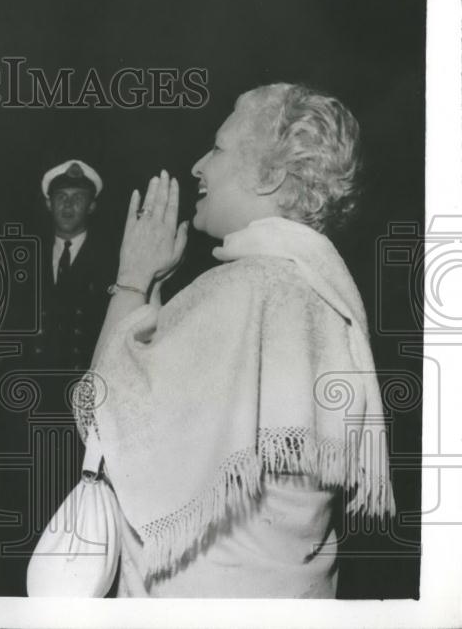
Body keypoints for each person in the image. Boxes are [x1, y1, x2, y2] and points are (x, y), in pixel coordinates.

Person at [79, 83, 395, 597]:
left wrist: (133, 280)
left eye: (218, 148)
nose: (199, 165)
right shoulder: (320, 293)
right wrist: (157, 299)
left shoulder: (243, 291)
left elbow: (103, 425)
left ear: (270, 175)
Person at [34, 160, 117, 373]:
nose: (68, 205)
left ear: (92, 206)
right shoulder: (26, 260)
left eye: (78, 198)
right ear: (48, 204)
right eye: (61, 197)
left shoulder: (113, 262)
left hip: (86, 386)